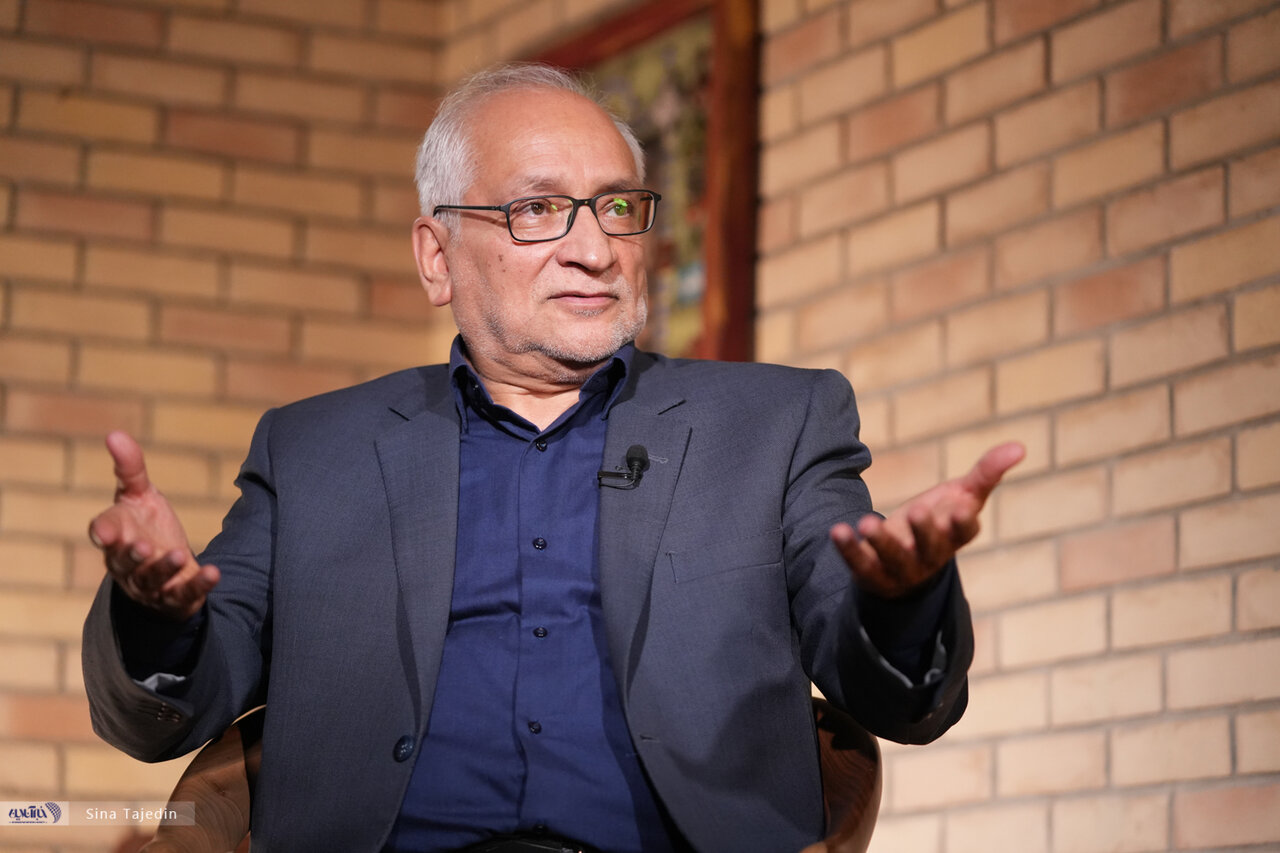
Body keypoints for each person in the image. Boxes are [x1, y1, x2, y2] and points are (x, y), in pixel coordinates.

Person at [83, 63, 1023, 853]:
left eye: (616, 207)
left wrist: (903, 603)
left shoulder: (775, 424)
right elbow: (167, 714)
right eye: (538, 208)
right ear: (437, 256)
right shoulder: (315, 451)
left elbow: (897, 697)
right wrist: (156, 615)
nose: (595, 249)